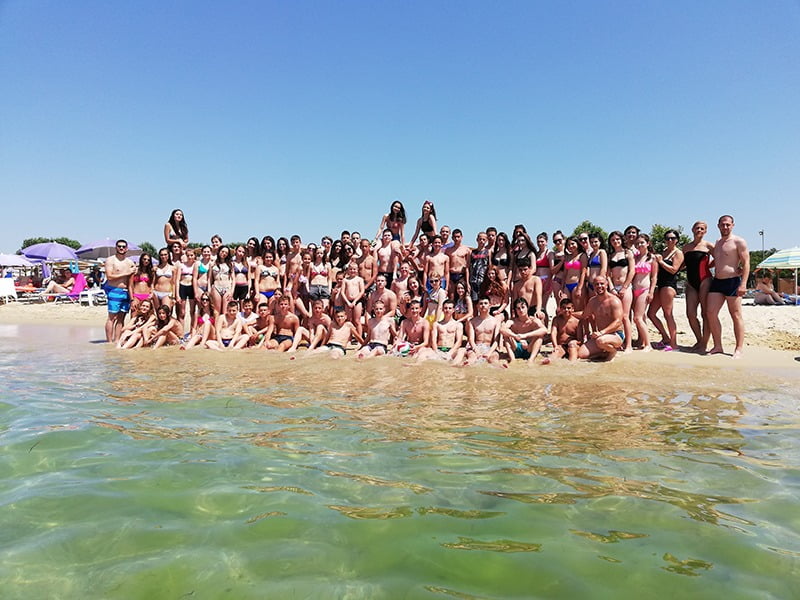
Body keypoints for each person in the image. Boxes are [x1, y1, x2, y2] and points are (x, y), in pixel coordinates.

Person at [707, 215, 749, 358]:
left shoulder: (739, 241)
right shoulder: (717, 242)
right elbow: (718, 259)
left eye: (728, 224)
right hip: (717, 281)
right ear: (718, 226)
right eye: (722, 224)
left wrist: (743, 284)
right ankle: (718, 346)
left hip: (732, 282)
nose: (725, 227)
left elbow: (746, 263)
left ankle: (739, 348)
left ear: (732, 225)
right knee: (711, 313)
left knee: (735, 315)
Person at [648, 229, 684, 351]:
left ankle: (674, 344)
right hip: (660, 285)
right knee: (651, 313)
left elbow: (674, 270)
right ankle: (665, 337)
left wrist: (661, 262)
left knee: (668, 314)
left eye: (672, 238)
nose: (670, 240)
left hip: (669, 285)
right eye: (667, 238)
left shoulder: (678, 253)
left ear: (677, 240)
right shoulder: (663, 252)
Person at [682, 221, 715, 351]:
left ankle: (704, 343)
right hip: (691, 282)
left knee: (705, 313)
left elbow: (719, 258)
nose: (699, 230)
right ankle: (699, 340)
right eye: (697, 228)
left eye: (702, 228)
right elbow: (683, 264)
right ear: (692, 229)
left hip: (705, 280)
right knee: (690, 314)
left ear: (705, 231)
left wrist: (709, 266)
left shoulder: (708, 245)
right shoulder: (686, 247)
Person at [578, 275, 624, 361]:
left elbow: (618, 321)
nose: (599, 286)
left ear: (607, 285)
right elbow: (584, 315)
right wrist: (569, 313)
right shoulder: (592, 301)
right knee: (581, 354)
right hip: (600, 335)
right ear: (593, 286)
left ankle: (613, 351)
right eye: (596, 284)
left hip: (615, 334)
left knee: (601, 341)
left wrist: (602, 332)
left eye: (602, 284)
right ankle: (605, 352)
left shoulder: (614, 301)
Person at [104, 239, 137, 343]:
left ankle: (117, 340)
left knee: (121, 318)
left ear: (126, 249)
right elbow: (109, 276)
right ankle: (109, 342)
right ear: (116, 248)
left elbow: (132, 280)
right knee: (112, 318)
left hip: (126, 292)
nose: (121, 248)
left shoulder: (130, 262)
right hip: (114, 290)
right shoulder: (110, 260)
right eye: (119, 246)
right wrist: (126, 273)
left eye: (123, 246)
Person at [500, 297, 548, 364]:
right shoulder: (513, 321)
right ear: (515, 310)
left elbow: (545, 330)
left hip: (530, 348)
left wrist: (525, 335)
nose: (521, 310)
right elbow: (502, 329)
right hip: (516, 347)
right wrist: (515, 336)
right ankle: (512, 359)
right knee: (506, 336)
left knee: (540, 336)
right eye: (518, 308)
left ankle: (531, 360)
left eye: (523, 307)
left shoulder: (533, 320)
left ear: (527, 308)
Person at [415, 299, 464, 363]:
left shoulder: (458, 324)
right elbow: (433, 340)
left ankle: (454, 365)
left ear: (453, 310)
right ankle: (417, 364)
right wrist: (436, 352)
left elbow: (459, 342)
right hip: (439, 349)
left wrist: (450, 353)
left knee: (462, 350)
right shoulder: (437, 324)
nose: (447, 310)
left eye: (450, 308)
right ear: (443, 309)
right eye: (445, 308)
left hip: (451, 350)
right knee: (423, 351)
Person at [463, 297, 503, 366]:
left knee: (494, 359)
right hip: (476, 347)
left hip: (490, 348)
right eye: (481, 304)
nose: (483, 305)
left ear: (490, 305)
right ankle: (466, 365)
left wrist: (489, 352)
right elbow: (471, 340)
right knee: (471, 359)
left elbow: (496, 341)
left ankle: (500, 367)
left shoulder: (495, 321)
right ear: (477, 306)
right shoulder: (472, 321)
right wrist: (476, 351)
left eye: (485, 303)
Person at [544, 297, 582, 363]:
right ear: (560, 309)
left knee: (572, 351)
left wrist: (575, 342)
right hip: (561, 346)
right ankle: (548, 361)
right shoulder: (556, 320)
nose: (566, 310)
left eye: (568, 308)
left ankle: (572, 363)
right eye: (564, 308)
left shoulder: (577, 322)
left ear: (573, 309)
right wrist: (555, 346)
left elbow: (580, 340)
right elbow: (553, 333)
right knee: (554, 354)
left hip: (573, 346)